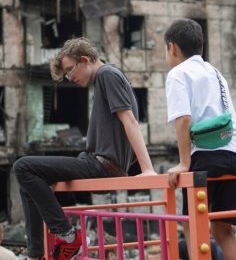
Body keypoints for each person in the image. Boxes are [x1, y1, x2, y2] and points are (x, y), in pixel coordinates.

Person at [13, 38, 156, 260]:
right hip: (94, 161)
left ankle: (69, 236)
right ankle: (36, 255)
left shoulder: (108, 74)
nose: (70, 78)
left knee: (22, 166)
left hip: (101, 165)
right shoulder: (105, 78)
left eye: (70, 71)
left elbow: (130, 120)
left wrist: (147, 169)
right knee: (27, 183)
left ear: (85, 60)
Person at [163, 19, 236, 260]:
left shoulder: (177, 73)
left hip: (208, 157)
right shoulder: (215, 72)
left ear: (173, 48)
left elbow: (183, 119)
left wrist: (183, 163)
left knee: (192, 225)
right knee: (224, 231)